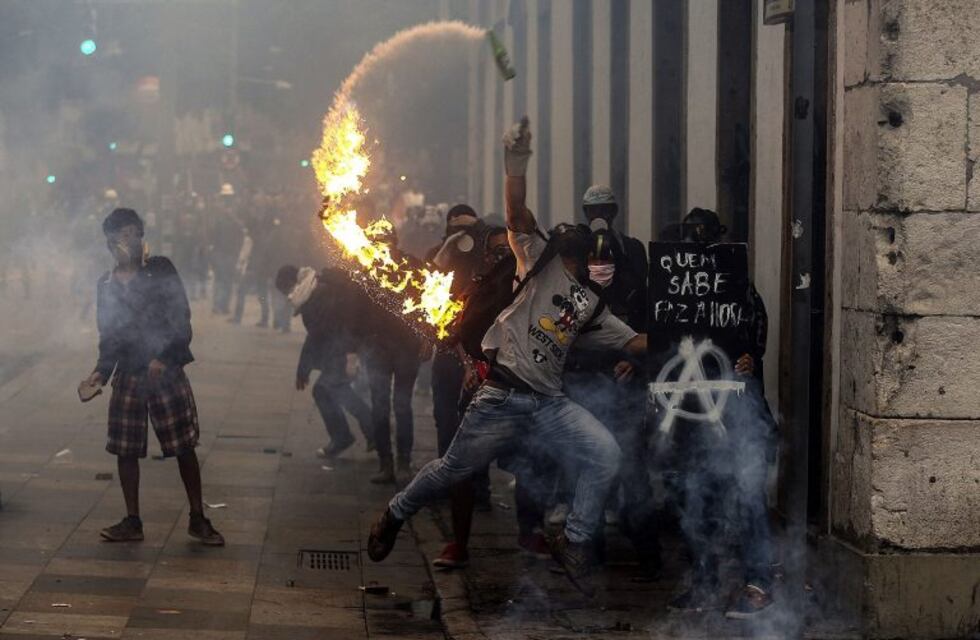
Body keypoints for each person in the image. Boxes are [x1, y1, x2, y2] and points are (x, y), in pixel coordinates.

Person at [367, 117, 649, 597]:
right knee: (452, 470)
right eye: (588, 260)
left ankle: (576, 541)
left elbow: (633, 343)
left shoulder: (591, 307)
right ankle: (395, 513)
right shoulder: (537, 264)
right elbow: (516, 211)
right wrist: (515, 161)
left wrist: (683, 328)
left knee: (606, 454)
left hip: (550, 404)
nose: (595, 268)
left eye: (600, 263)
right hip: (501, 398)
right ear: (571, 257)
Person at [80, 207, 224, 546]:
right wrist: (99, 374)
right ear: (110, 242)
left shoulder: (160, 269)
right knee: (125, 450)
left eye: (135, 233)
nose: (130, 241)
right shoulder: (106, 284)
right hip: (129, 375)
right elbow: (110, 337)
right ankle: (132, 521)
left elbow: (181, 318)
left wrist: (165, 356)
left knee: (182, 446)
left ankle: (197, 518)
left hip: (165, 374)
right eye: (122, 236)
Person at [661, 207, 776, 618]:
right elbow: (664, 342)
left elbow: (756, 337)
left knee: (747, 492)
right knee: (696, 496)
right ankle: (705, 582)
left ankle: (758, 583)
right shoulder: (673, 289)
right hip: (693, 411)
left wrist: (748, 356)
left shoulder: (739, 286)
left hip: (738, 407)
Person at [561, 187, 661, 579]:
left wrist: (635, 360)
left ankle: (647, 555)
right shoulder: (574, 256)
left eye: (605, 209)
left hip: (622, 379)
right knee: (586, 468)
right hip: (585, 379)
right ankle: (590, 552)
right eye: (595, 210)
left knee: (632, 469)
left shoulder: (632, 253)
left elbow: (646, 318)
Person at [430, 225, 511, 569]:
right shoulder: (479, 287)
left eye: (505, 250)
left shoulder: (527, 287)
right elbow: (457, 329)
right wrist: (469, 365)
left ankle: (536, 535)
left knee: (532, 462)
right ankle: (458, 542)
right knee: (460, 461)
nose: (500, 257)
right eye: (494, 251)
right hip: (482, 386)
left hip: (522, 385)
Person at [275, 265, 374, 458]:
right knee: (334, 390)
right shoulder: (313, 289)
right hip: (340, 349)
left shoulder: (316, 295)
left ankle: (351, 435)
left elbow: (318, 332)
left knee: (327, 389)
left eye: (287, 290)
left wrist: (303, 369)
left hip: (343, 349)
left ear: (293, 283)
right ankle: (367, 432)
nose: (288, 296)